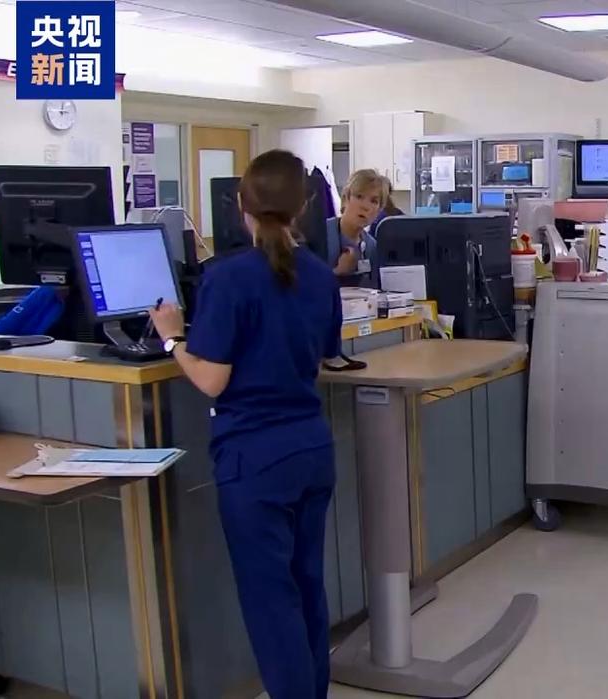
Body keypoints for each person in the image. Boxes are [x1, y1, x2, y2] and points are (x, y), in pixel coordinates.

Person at [149, 149, 343, 698]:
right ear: (304, 206)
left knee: (269, 601)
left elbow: (212, 380)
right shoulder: (319, 275)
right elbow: (322, 356)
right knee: (306, 585)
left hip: (254, 460)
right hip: (311, 450)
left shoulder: (228, 277)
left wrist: (171, 338)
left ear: (241, 205)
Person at [326, 170, 405, 285]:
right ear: (346, 198)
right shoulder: (321, 234)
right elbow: (306, 286)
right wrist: (338, 272)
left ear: (379, 211)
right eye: (359, 197)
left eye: (374, 201)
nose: (365, 206)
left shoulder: (371, 247)